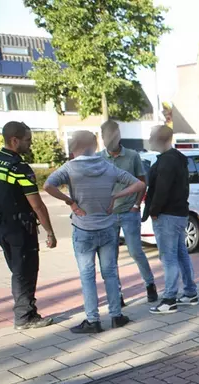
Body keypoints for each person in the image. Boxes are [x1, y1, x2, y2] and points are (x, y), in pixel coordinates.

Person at [44, 131, 145, 333]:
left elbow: (48, 186)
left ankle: (93, 320)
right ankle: (116, 316)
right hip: (108, 227)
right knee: (110, 272)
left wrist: (70, 202)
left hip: (83, 229)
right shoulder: (107, 166)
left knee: (87, 275)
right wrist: (116, 196)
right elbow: (139, 184)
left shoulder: (70, 167)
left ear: (74, 149)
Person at [0, 122, 56, 330]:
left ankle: (25, 312)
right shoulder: (19, 167)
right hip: (20, 227)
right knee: (24, 270)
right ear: (14, 140)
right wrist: (50, 231)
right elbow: (37, 204)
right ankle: (25, 317)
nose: (31, 144)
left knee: (16, 268)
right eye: (28, 140)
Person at [98, 120, 158, 306]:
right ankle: (117, 294)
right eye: (106, 136)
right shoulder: (98, 158)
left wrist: (136, 205)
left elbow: (142, 182)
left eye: (113, 135)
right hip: (108, 215)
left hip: (128, 212)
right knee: (110, 256)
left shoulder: (132, 156)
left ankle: (150, 285)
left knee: (135, 251)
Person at [143, 125, 198, 314]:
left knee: (169, 258)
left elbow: (162, 190)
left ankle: (169, 299)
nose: (149, 139)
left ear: (160, 138)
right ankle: (190, 292)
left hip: (167, 215)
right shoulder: (178, 159)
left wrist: (154, 210)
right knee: (181, 254)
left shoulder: (167, 161)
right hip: (180, 213)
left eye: (151, 135)